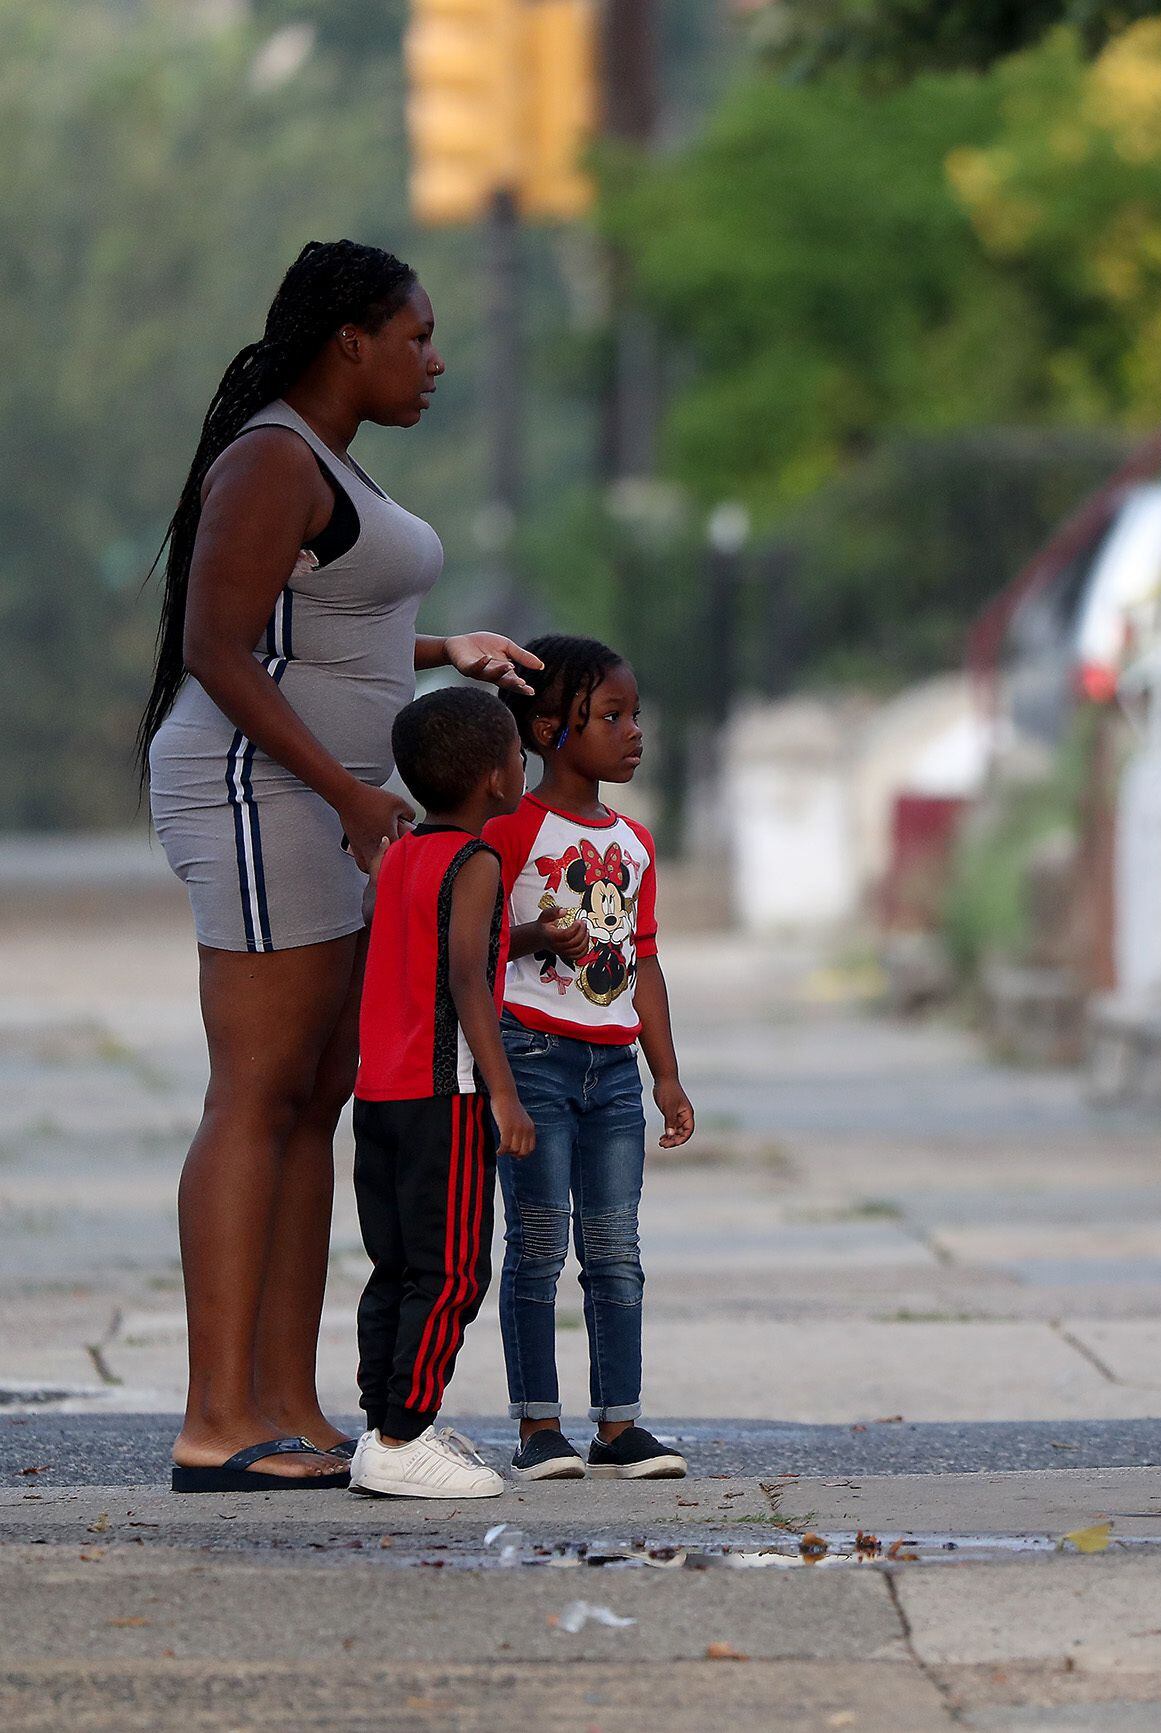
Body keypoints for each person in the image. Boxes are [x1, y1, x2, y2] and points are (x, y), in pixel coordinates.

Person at [143, 241, 539, 1492]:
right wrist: (349, 789)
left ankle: (286, 1401)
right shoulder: (268, 455)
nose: (435, 360)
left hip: (325, 794)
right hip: (260, 790)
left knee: (316, 1092)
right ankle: (216, 1416)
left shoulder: (322, 462)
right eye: (416, 336)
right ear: (348, 340)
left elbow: (310, 618)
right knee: (256, 1091)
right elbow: (216, 644)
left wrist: (441, 644)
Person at [487, 636, 696, 1482]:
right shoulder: (513, 831)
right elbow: (474, 938)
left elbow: (642, 960)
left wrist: (666, 1073)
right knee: (536, 1245)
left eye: (634, 714)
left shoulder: (637, 844)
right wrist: (539, 934)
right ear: (548, 730)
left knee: (615, 1248)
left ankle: (619, 1424)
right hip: (532, 1057)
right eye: (610, 716)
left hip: (611, 1073)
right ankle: (539, 1425)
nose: (632, 731)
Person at [346, 688, 533, 1500]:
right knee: (454, 1271)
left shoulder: (400, 857)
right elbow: (464, 975)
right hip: (443, 1093)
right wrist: (505, 1094)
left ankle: (381, 1423)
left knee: (396, 1267)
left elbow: (417, 941)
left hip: (380, 1092)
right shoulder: (478, 861)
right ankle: (402, 1435)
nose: (524, 765)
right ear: (495, 778)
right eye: (519, 755)